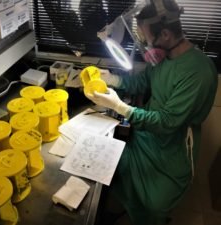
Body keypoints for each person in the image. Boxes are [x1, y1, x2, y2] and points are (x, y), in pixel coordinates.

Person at [86, 0, 218, 225]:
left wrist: (120, 107)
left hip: (172, 152)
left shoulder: (198, 73)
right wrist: (113, 79)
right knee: (113, 167)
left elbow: (167, 122)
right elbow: (143, 81)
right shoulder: (164, 58)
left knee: (154, 206)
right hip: (145, 138)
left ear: (165, 34)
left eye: (146, 37)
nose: (144, 43)